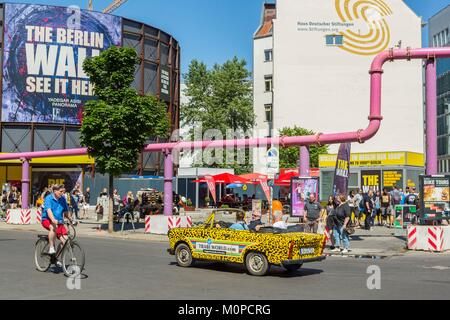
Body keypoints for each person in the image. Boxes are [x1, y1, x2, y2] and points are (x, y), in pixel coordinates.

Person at [41, 185, 71, 255]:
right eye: (60, 191)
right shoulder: (48, 198)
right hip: (47, 220)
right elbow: (49, 211)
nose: (62, 193)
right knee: (53, 227)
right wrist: (53, 219)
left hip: (59, 221)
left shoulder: (63, 199)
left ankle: (56, 258)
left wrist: (71, 219)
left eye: (63, 191)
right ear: (55, 191)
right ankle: (51, 247)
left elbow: (66, 212)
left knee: (66, 241)